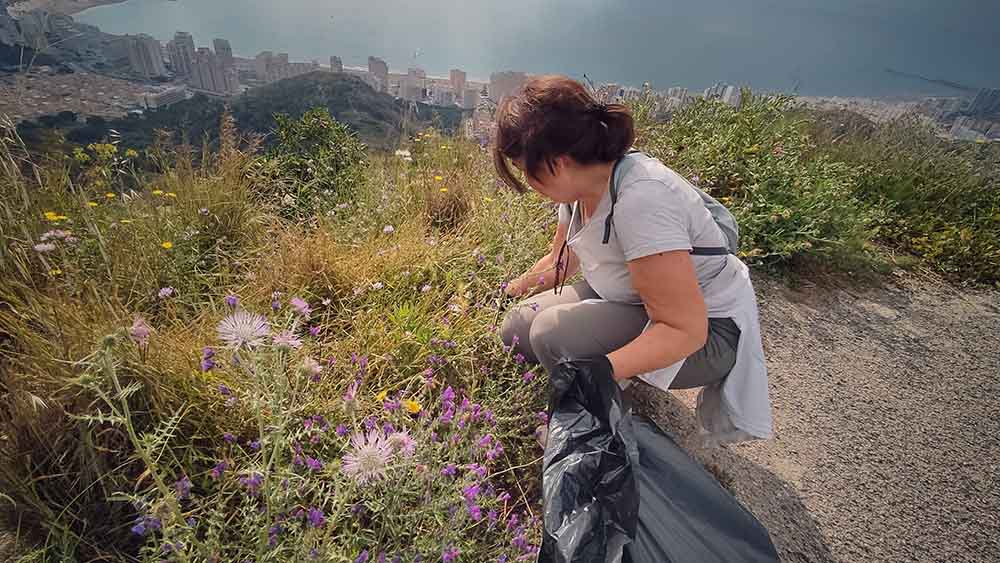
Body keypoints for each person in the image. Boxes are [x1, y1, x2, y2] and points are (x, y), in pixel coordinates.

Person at [495, 75, 772, 443]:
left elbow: (685, 330)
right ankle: (601, 379)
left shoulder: (642, 200)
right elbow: (560, 261)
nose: (528, 183)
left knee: (552, 335)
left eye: (524, 170)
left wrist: (599, 374)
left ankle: (599, 421)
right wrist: (507, 291)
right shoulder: (580, 188)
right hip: (634, 297)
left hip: (708, 330)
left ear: (556, 163)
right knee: (515, 329)